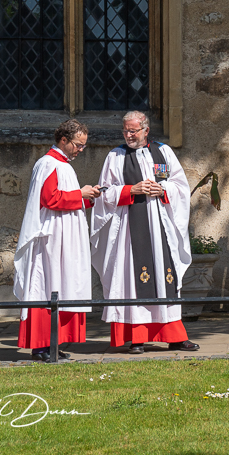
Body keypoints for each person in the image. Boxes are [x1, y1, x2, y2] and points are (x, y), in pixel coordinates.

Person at [90, 111, 199, 354]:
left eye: (133, 131)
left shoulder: (164, 152)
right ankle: (137, 337)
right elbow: (104, 193)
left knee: (165, 279)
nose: (128, 135)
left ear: (146, 130)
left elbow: (181, 186)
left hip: (161, 227)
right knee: (132, 279)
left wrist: (163, 189)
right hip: (130, 229)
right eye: (125, 131)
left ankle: (175, 337)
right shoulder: (116, 156)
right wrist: (131, 189)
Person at [13, 119, 100, 361]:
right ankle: (41, 346)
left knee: (64, 285)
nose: (80, 150)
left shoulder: (63, 165)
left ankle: (54, 343)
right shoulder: (48, 163)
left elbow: (64, 199)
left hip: (65, 237)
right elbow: (49, 199)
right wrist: (79, 194)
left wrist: (86, 198)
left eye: (83, 146)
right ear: (63, 140)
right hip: (51, 239)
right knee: (46, 287)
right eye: (78, 145)